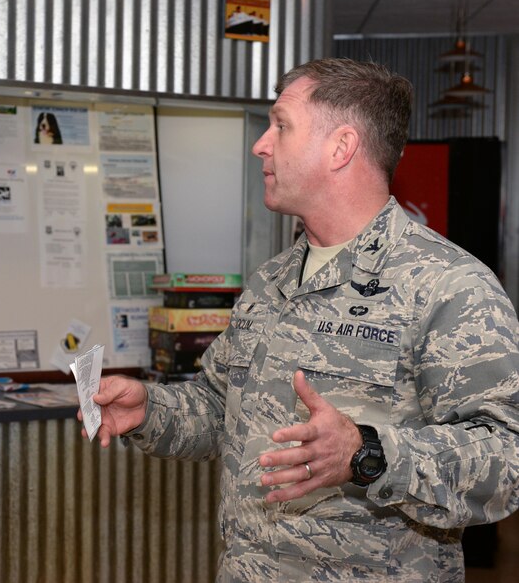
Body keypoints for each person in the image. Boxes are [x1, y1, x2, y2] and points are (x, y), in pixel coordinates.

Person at [84, 58, 519, 582]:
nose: (260, 145)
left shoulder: (447, 285)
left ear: (341, 147)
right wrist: (149, 410)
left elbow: (506, 461)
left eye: (281, 125)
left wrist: (366, 453)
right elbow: (219, 408)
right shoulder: (271, 281)